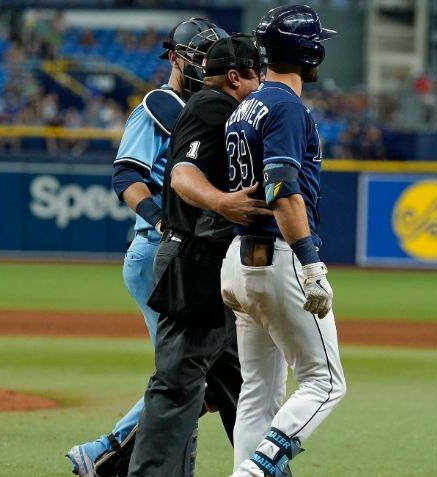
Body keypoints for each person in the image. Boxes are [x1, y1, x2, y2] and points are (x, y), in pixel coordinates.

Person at [65, 18, 234, 477]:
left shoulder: (210, 108)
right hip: (157, 251)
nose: (205, 64)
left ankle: (108, 454)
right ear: (176, 58)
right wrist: (160, 218)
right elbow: (126, 175)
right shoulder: (158, 106)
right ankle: (108, 453)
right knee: (186, 376)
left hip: (192, 256)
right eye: (198, 55)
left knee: (201, 378)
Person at [129, 35, 268, 477]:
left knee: (241, 387)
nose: (261, 81)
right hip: (194, 258)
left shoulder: (222, 109)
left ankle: (260, 470)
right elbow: (181, 175)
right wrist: (221, 202)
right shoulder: (213, 108)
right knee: (176, 384)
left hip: (215, 264)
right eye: (254, 74)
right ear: (234, 76)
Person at [220, 6, 347, 477]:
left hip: (238, 261)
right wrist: (312, 264)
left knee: (257, 393)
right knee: (326, 383)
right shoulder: (286, 106)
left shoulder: (246, 106)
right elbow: (280, 187)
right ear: (308, 51)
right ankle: (254, 472)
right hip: (280, 258)